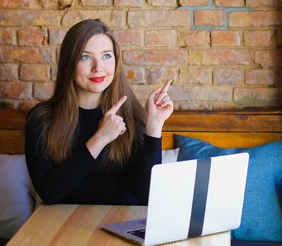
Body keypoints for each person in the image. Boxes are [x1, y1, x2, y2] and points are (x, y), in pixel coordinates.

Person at [24, 19, 173, 206]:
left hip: (122, 226)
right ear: (69, 63)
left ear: (116, 61)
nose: (98, 67)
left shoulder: (132, 115)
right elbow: (50, 193)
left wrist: (154, 125)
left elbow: (147, 196)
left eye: (106, 56)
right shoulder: (42, 119)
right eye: (85, 57)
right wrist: (100, 139)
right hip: (65, 227)